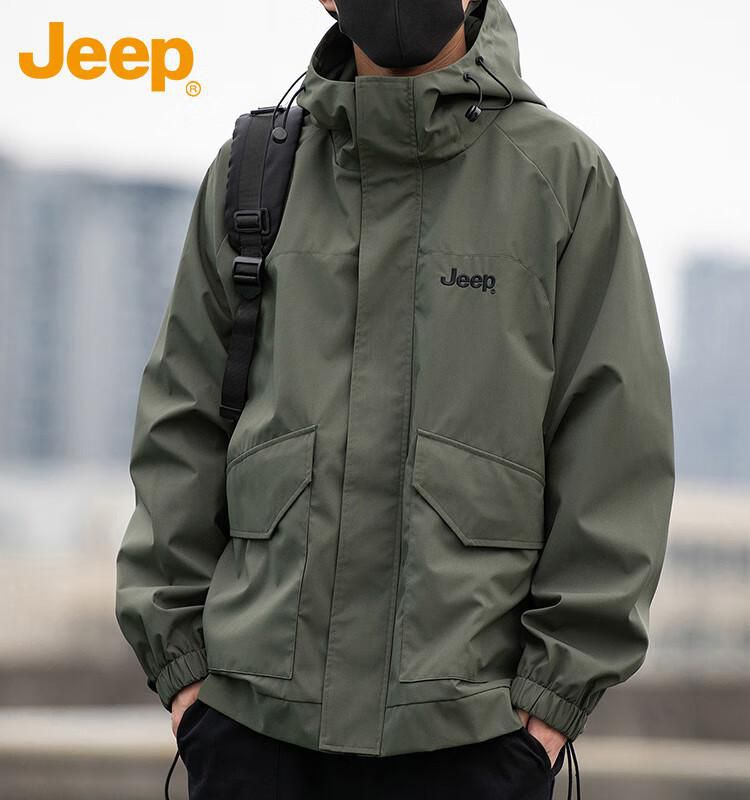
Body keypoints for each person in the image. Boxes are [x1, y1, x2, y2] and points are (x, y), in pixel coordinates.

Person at [115, 0, 675, 798]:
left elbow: (615, 451)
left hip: (472, 736)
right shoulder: (255, 175)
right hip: (251, 728)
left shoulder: (561, 179)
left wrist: (548, 709)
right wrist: (186, 683)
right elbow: (181, 424)